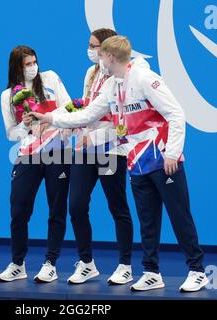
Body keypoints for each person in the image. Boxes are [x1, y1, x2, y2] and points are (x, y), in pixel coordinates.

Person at [30, 35, 208, 292]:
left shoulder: (146, 79)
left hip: (163, 159)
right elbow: (89, 114)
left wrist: (172, 152)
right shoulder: (112, 86)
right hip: (137, 162)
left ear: (110, 57)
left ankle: (197, 270)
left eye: (100, 54)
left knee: (179, 216)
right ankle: (151, 272)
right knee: (147, 219)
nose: (98, 59)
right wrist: (49, 118)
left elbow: (176, 113)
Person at [0, 46, 72, 283]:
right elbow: (11, 133)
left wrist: (50, 120)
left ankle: (51, 263)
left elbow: (70, 108)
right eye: (27, 64)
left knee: (56, 209)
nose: (32, 67)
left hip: (58, 152)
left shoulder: (51, 78)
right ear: (16, 68)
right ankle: (18, 264)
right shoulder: (8, 95)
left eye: (34, 62)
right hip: (28, 154)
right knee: (19, 209)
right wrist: (26, 125)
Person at [66, 28, 134, 285]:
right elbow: (87, 109)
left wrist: (93, 137)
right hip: (85, 151)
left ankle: (125, 265)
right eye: (90, 45)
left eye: (95, 46)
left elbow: (119, 120)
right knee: (77, 205)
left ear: (107, 51)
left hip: (111, 150)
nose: (90, 50)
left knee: (117, 207)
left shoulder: (119, 77)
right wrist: (73, 125)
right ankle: (86, 263)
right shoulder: (90, 73)